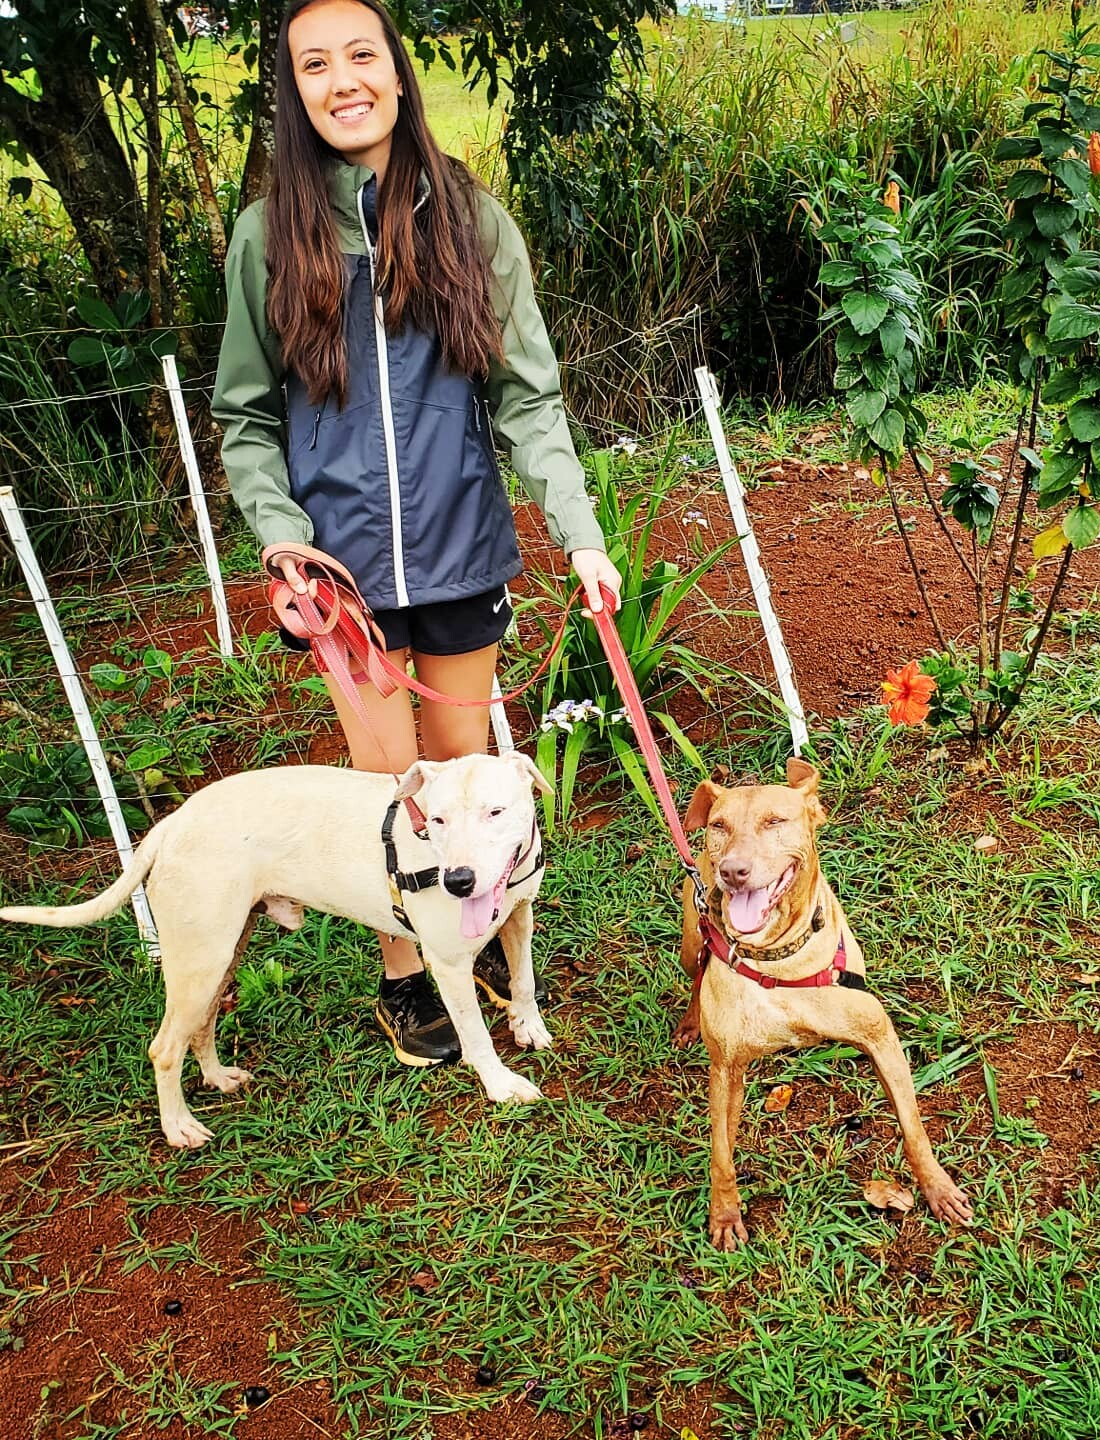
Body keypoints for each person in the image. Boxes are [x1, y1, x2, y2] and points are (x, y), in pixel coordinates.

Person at [211, 0, 620, 1068]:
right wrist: (280, 534)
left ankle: (469, 934)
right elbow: (245, 419)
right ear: (293, 89)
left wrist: (578, 534)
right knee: (389, 780)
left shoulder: (473, 223)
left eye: (360, 55)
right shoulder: (267, 237)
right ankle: (408, 982)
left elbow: (530, 401)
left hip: (460, 550)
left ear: (396, 71)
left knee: (463, 771)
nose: (342, 80)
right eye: (314, 64)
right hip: (338, 577)